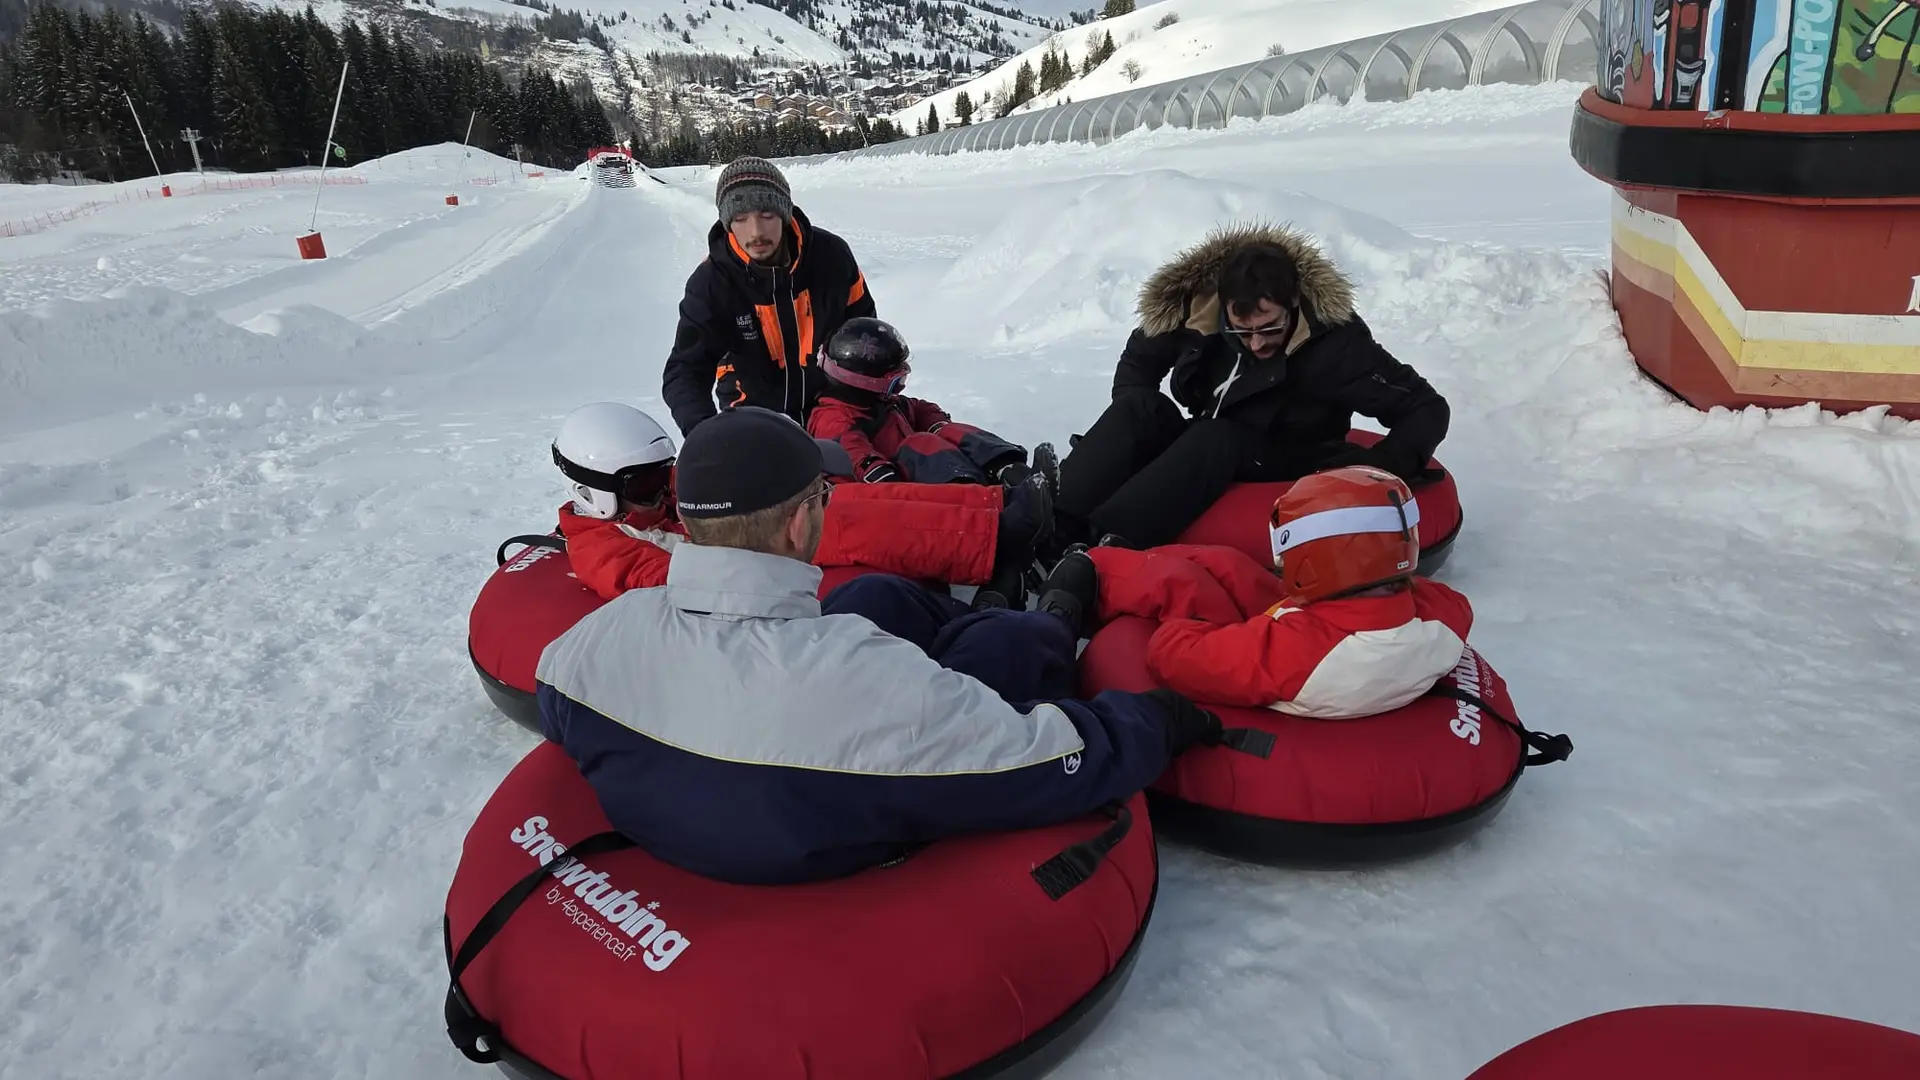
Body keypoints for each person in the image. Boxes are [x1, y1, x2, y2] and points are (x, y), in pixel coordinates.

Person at [535, 406, 1226, 886]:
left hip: (783, 690)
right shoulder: (869, 691)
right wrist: (1159, 720)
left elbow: (564, 705)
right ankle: (1047, 615)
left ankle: (982, 616)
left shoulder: (594, 641)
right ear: (804, 517)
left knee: (876, 598)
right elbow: (1046, 760)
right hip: (848, 794)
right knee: (1013, 645)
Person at [1051, 223, 1451, 553]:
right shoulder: (1200, 315)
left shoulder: (1334, 345)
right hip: (1206, 440)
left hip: (1289, 455)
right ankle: (1054, 523)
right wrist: (1135, 452)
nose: (1257, 343)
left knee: (1215, 436)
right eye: (1243, 331)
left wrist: (1376, 473)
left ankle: (1100, 549)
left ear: (1293, 302)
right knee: (1140, 408)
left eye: (1269, 328)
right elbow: (1139, 362)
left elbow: (1426, 407)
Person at [548, 401, 1050, 608]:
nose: (663, 492)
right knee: (841, 526)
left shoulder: (657, 503)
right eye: (645, 486)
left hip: (748, 544)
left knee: (842, 498)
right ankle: (995, 538)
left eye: (666, 476)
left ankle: (992, 505)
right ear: (594, 494)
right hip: (746, 582)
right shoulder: (602, 549)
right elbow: (671, 581)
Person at [1078, 465, 1472, 717]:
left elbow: (1174, 657)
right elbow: (1439, 600)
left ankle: (1088, 571)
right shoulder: (1443, 614)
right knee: (1229, 565)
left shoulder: (1293, 655)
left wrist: (1184, 622)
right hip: (1340, 623)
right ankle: (1120, 560)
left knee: (1182, 585)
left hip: (1291, 651)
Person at [661, 156, 875, 437]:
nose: (756, 232)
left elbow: (864, 334)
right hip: (753, 420)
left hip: (832, 412)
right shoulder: (711, 283)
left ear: (784, 214)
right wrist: (706, 434)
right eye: (740, 218)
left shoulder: (831, 257)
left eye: (767, 215)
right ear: (727, 223)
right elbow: (686, 370)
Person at [806, 317, 1057, 489]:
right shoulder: (834, 419)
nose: (900, 390)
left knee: (944, 430)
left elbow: (921, 409)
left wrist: (939, 427)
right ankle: (978, 494)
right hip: (896, 496)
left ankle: (1010, 469)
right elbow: (852, 456)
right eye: (896, 382)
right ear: (864, 382)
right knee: (921, 442)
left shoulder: (885, 404)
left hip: (930, 483)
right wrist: (882, 475)